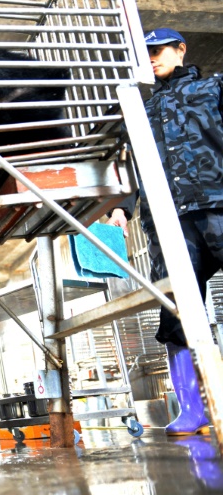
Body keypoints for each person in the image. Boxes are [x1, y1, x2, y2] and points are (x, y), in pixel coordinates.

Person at [107, 27, 223, 436]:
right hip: (169, 221)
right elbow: (131, 168)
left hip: (217, 203)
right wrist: (122, 209)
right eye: (146, 53)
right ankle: (194, 408)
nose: (152, 58)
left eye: (159, 51)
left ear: (181, 49)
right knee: (176, 309)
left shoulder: (214, 89)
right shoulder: (140, 112)